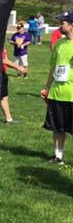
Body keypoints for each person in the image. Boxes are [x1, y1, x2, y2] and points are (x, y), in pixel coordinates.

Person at [41, 11, 73, 164]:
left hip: (72, 94)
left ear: (71, 25)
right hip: (57, 93)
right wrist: (47, 87)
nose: (60, 25)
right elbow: (53, 68)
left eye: (63, 22)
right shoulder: (59, 43)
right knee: (57, 128)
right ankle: (58, 156)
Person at [0, 49, 26, 123]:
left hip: (2, 74)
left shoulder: (2, 47)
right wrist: (19, 68)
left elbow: (6, 61)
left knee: (4, 97)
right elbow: (3, 60)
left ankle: (9, 119)